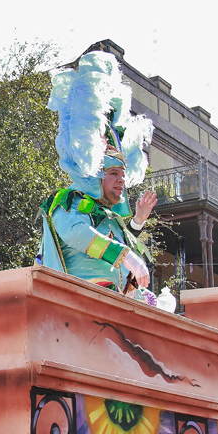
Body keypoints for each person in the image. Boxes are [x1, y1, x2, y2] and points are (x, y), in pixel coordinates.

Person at [40, 50, 156, 301]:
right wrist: (126, 256)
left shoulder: (107, 214)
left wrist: (137, 222)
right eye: (114, 173)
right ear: (95, 174)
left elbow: (114, 241)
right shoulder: (69, 202)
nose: (121, 180)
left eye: (123, 174)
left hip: (112, 309)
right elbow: (77, 233)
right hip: (76, 310)